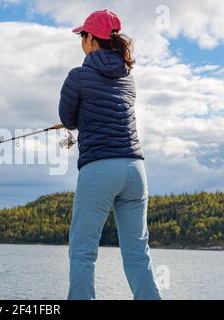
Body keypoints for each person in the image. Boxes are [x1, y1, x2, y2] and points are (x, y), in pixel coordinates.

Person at [59, 9, 162, 300]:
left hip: (100, 169)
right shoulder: (128, 78)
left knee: (83, 251)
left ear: (91, 38)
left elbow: (68, 118)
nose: (81, 40)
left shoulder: (78, 76)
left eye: (82, 35)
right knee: (137, 253)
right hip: (135, 170)